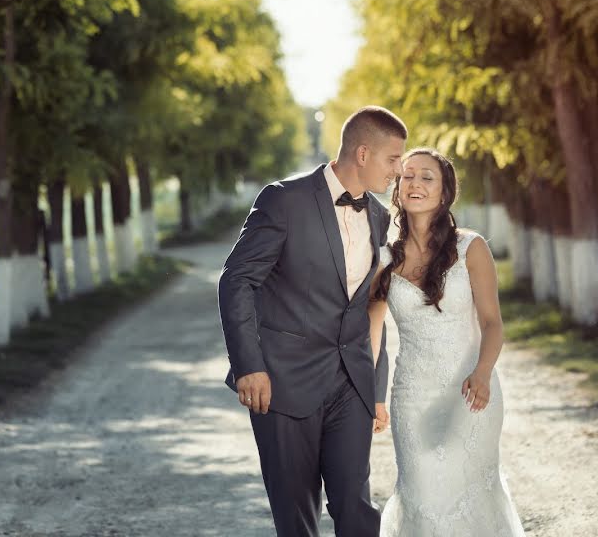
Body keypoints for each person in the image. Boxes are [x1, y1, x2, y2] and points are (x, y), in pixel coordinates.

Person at [217, 105, 407, 536]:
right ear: (363, 154)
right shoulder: (284, 200)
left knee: (356, 507)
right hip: (283, 384)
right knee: (296, 514)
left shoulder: (378, 217)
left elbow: (368, 310)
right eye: (392, 159)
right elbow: (236, 281)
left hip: (351, 385)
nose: (399, 170)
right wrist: (249, 365)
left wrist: (376, 388)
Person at [369, 147, 526, 536]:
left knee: (470, 492)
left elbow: (492, 323)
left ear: (444, 192)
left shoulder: (471, 247)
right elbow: (370, 335)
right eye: (407, 176)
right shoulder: (384, 260)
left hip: (471, 389)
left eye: (427, 177)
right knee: (422, 493)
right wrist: (373, 395)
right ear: (398, 188)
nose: (415, 184)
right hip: (412, 395)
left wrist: (483, 373)